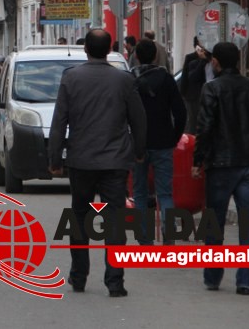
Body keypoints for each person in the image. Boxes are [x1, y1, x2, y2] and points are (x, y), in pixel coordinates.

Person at [48, 28, 146, 297]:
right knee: (115, 221)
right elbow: (138, 119)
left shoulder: (71, 78)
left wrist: (55, 159)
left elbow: (59, 122)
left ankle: (78, 276)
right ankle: (115, 282)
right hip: (115, 162)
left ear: (86, 49)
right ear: (109, 49)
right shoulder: (123, 80)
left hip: (81, 160)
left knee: (79, 217)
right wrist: (139, 151)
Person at [192, 42, 249, 295]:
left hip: (220, 166)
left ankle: (213, 276)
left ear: (216, 62)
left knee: (215, 223)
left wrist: (198, 161)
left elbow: (205, 128)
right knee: (248, 224)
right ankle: (245, 281)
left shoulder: (212, 89)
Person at [131, 38, 187, 244]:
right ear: (156, 55)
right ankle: (169, 234)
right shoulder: (166, 79)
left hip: (138, 144)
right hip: (163, 141)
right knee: (165, 191)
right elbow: (180, 113)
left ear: (136, 56)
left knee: (139, 192)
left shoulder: (131, 80)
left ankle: (143, 237)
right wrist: (174, 136)